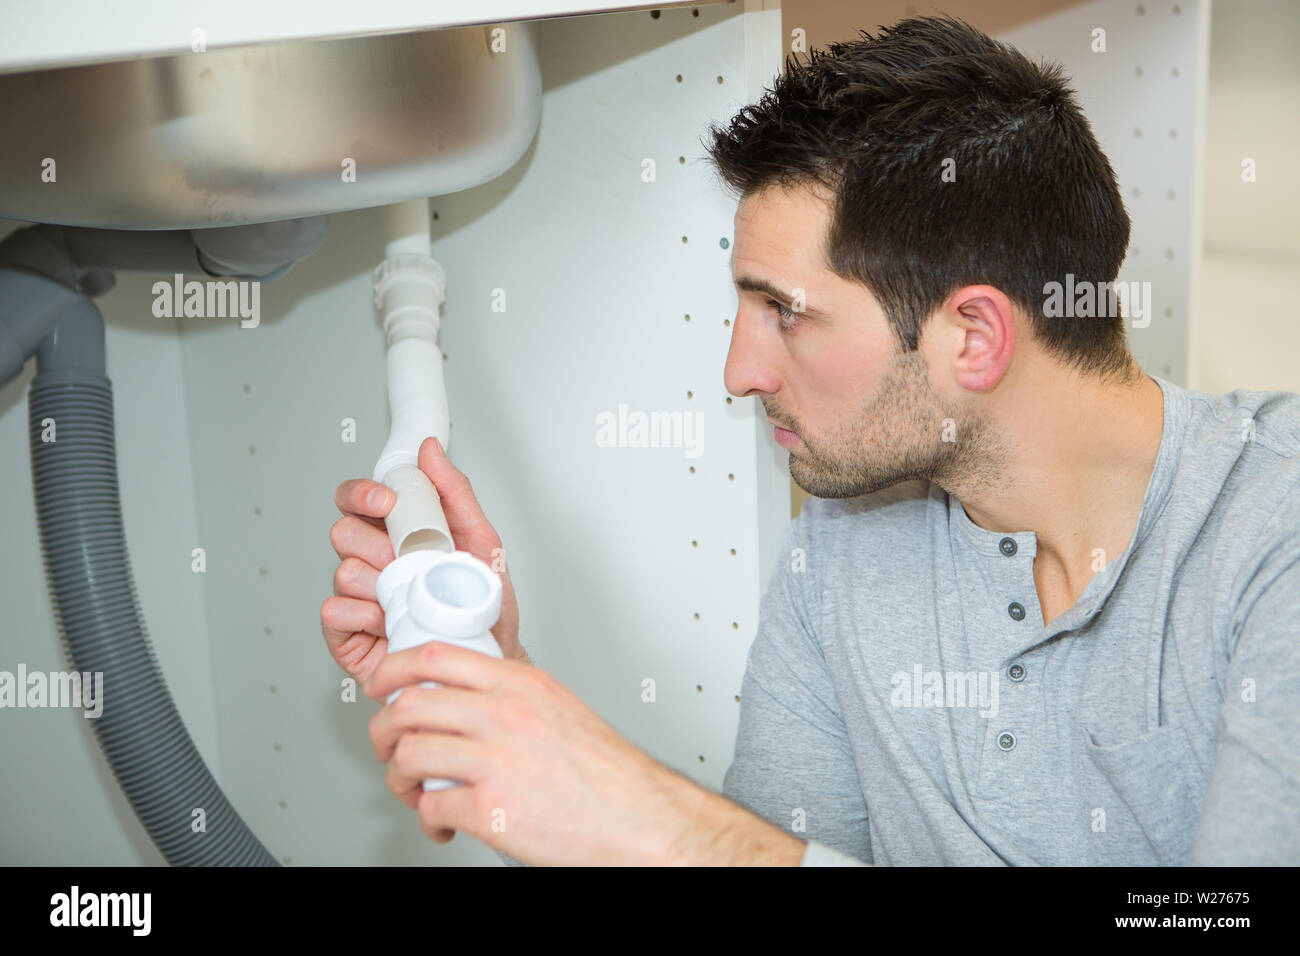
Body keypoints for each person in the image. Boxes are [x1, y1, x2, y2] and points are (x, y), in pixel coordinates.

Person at [320, 15, 1300, 865]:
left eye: (783, 311)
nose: (737, 373)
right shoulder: (842, 546)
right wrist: (499, 698)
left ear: (974, 336)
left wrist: (643, 815)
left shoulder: (1272, 533)